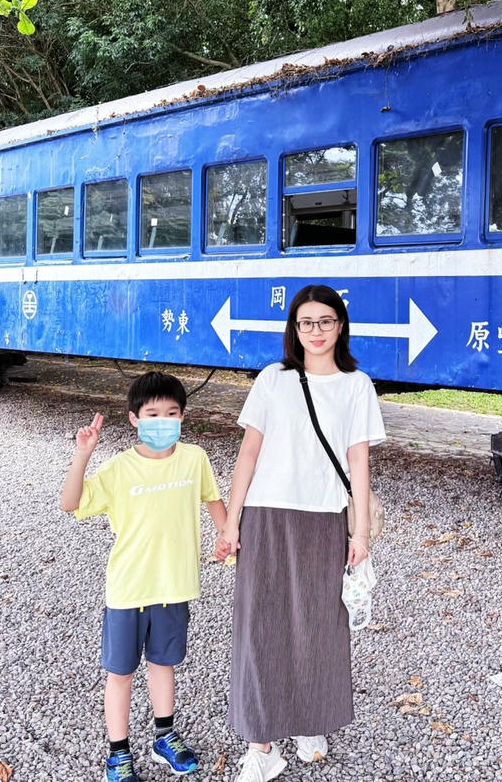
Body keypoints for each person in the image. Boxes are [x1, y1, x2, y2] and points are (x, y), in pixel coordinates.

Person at [216, 284, 386, 782]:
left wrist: (360, 534)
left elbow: (359, 464)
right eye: (306, 322)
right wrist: (231, 519)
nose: (316, 331)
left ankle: (310, 719)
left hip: (325, 516)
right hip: (268, 514)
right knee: (261, 628)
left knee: (319, 625)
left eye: (325, 321)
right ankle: (262, 744)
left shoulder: (358, 385)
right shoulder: (273, 379)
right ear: (294, 329)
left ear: (340, 327)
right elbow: (248, 454)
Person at [62, 371, 228, 782]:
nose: (162, 421)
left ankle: (164, 737)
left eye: (172, 413)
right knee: (120, 673)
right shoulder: (120, 468)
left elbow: (214, 501)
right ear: (134, 418)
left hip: (175, 586)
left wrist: (229, 539)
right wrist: (83, 454)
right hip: (128, 589)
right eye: (152, 413)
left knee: (163, 664)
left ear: (183, 416)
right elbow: (70, 503)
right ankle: (118, 754)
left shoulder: (195, 459)